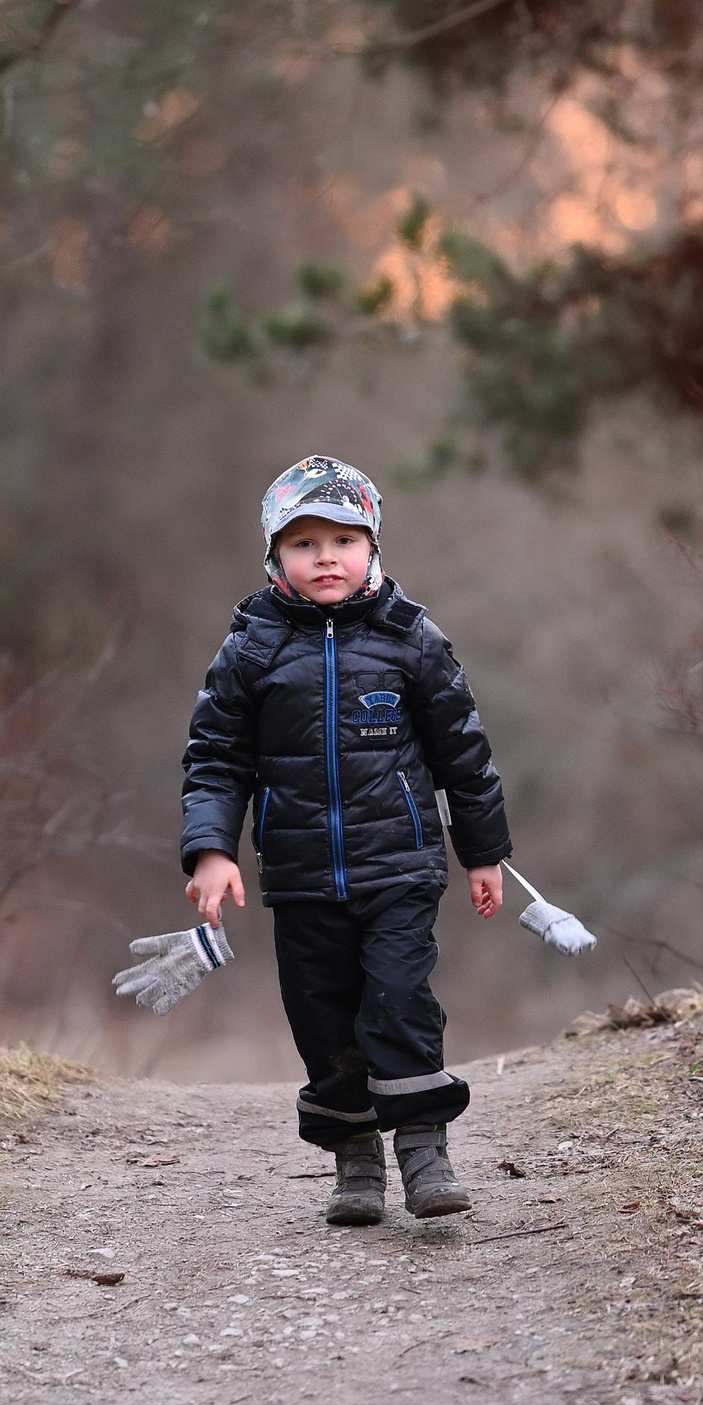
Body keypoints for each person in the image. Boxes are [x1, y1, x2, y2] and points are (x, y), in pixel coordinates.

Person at [179, 455, 512, 1225]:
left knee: (397, 1002)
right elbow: (216, 760)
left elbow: (465, 754)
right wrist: (212, 849)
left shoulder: (412, 639)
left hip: (399, 865)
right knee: (322, 1017)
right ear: (275, 558)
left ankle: (425, 1149)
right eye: (303, 544)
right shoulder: (252, 649)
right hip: (299, 876)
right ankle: (355, 1159)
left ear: (372, 547)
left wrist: (483, 853)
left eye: (342, 539)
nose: (325, 557)